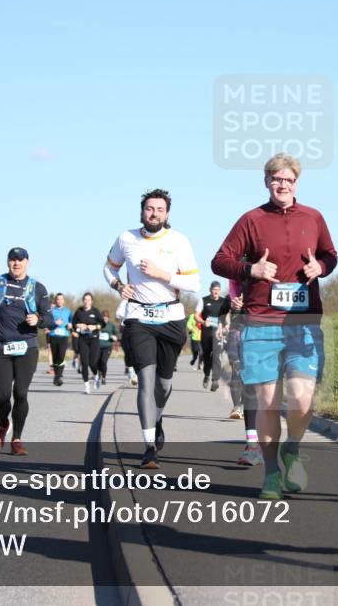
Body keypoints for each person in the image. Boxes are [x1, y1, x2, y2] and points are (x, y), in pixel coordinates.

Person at [212, 153, 338, 500]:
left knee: (301, 399)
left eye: (289, 180)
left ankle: (292, 449)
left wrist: (321, 269)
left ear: (297, 183)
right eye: (276, 179)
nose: (283, 185)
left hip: (303, 321)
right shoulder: (251, 220)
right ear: (267, 182)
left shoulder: (313, 218)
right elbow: (220, 260)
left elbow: (330, 254)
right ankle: (270, 473)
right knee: (266, 403)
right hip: (260, 321)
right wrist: (250, 270)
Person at [104, 189, 199, 468]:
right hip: (138, 318)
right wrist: (119, 286)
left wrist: (163, 274)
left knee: (164, 385)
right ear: (142, 211)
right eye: (149, 208)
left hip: (171, 318)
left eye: (159, 209)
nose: (154, 213)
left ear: (167, 213)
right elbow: (109, 269)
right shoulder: (126, 238)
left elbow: (194, 284)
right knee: (145, 380)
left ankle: (157, 420)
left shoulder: (178, 240)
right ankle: (148, 447)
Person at [0, 247, 53, 456]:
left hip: (26, 347)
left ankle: (17, 439)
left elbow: (49, 319)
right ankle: (3, 423)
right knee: (2, 397)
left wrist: (38, 320)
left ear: (27, 262)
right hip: (0, 346)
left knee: (20, 393)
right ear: (8, 262)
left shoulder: (37, 288)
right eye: (13, 260)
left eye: (20, 260)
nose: (16, 263)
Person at [224, 282, 262, 466]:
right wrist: (234, 308)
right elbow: (227, 317)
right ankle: (253, 445)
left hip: (269, 332)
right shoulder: (235, 290)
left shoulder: (273, 280)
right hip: (241, 334)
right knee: (249, 386)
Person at [196, 281, 230, 391]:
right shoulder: (203, 300)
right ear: (210, 290)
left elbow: (227, 316)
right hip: (206, 331)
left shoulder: (224, 301)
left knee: (216, 355)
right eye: (214, 289)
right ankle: (206, 374)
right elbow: (196, 315)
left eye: (218, 289)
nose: (216, 291)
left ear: (220, 290)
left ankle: (215, 380)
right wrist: (202, 322)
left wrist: (227, 325)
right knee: (206, 355)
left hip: (218, 332)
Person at [73, 292, 105, 392]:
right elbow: (73, 323)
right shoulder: (79, 311)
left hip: (94, 339)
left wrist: (95, 327)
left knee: (92, 363)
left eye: (88, 300)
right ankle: (86, 385)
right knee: (84, 363)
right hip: (83, 339)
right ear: (83, 301)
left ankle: (96, 375)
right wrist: (79, 325)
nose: (86, 301)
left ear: (91, 301)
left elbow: (103, 324)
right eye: (85, 299)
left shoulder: (95, 311)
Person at [46, 293, 73, 386]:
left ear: (63, 300)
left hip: (64, 336)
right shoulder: (52, 311)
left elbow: (72, 321)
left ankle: (58, 376)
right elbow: (47, 322)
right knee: (55, 357)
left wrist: (70, 325)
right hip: (53, 335)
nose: (59, 301)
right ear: (55, 301)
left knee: (61, 356)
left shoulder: (68, 311)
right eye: (58, 299)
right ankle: (57, 376)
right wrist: (55, 323)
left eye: (61, 299)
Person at [97, 310, 118, 384]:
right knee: (97, 362)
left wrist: (114, 337)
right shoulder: (98, 324)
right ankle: (99, 372)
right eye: (103, 317)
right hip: (97, 346)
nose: (105, 319)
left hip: (107, 346)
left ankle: (103, 377)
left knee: (103, 361)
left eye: (106, 317)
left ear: (108, 318)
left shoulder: (111, 325)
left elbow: (116, 335)